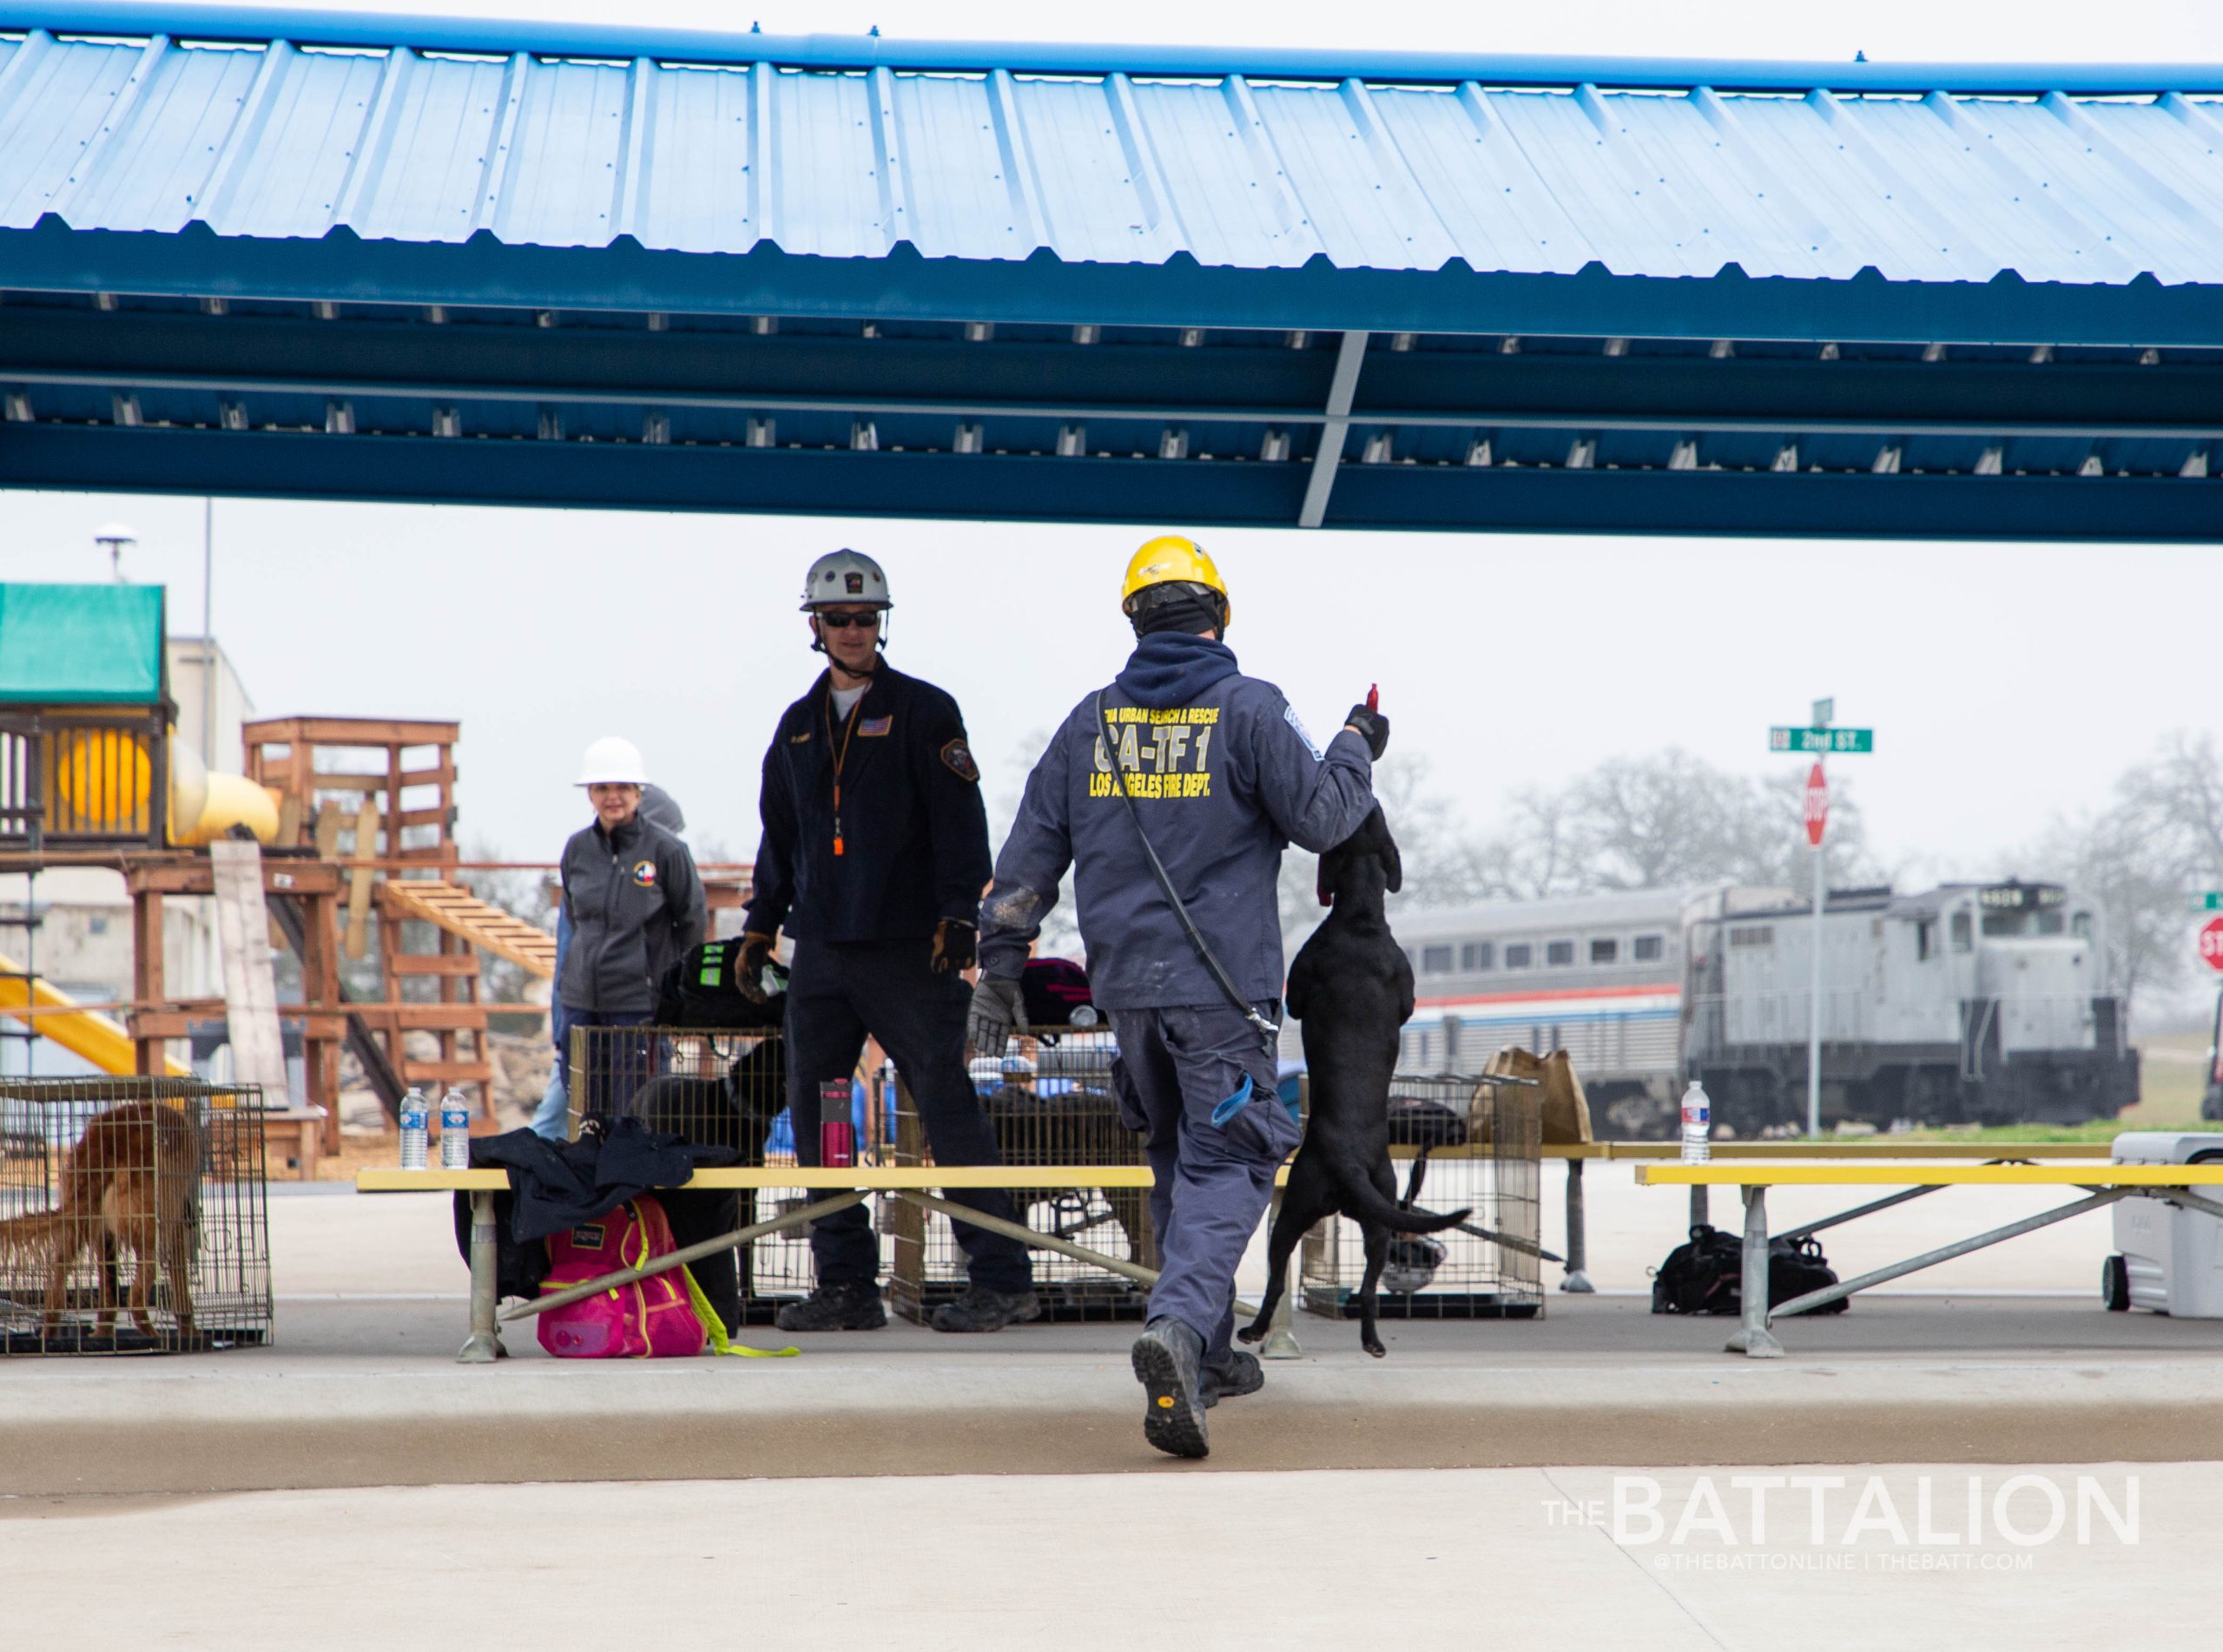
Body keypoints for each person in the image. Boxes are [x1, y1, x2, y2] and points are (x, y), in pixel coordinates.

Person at [967, 536, 1387, 1458]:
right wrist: (1357, 745)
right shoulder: (1248, 707)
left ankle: (1206, 1357)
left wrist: (999, 966)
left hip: (1127, 998)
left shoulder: (1089, 724)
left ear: (1132, 619)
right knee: (1230, 1166)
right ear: (1219, 615)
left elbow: (1027, 858)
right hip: (1221, 994)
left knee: (1175, 1162)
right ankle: (1183, 1330)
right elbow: (1322, 817)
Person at [736, 549, 1038, 1334]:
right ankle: (846, 1284)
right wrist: (760, 923)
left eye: (867, 618)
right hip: (825, 952)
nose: (853, 631)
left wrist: (958, 917)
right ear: (815, 625)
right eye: (838, 619)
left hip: (911, 948)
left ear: (881, 623)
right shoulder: (797, 728)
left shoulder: (926, 711)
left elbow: (959, 824)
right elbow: (780, 837)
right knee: (818, 1115)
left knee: (944, 1101)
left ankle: (1002, 1277)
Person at [557, 742, 705, 1122]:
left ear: (639, 792)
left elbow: (692, 920)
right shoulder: (576, 849)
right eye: (603, 788)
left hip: (639, 1007)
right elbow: (576, 918)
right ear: (589, 794)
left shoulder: (667, 850)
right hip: (581, 1005)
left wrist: (672, 987)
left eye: (623, 787)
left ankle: (635, 1185)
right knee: (585, 1117)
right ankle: (589, 1182)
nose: (613, 797)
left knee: (637, 1117)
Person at [534, 784, 690, 1140]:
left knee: (597, 1114)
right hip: (585, 1013)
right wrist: (565, 1023)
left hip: (622, 1008)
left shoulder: (662, 858)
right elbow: (570, 954)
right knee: (579, 1112)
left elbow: (689, 919)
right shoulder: (583, 858)